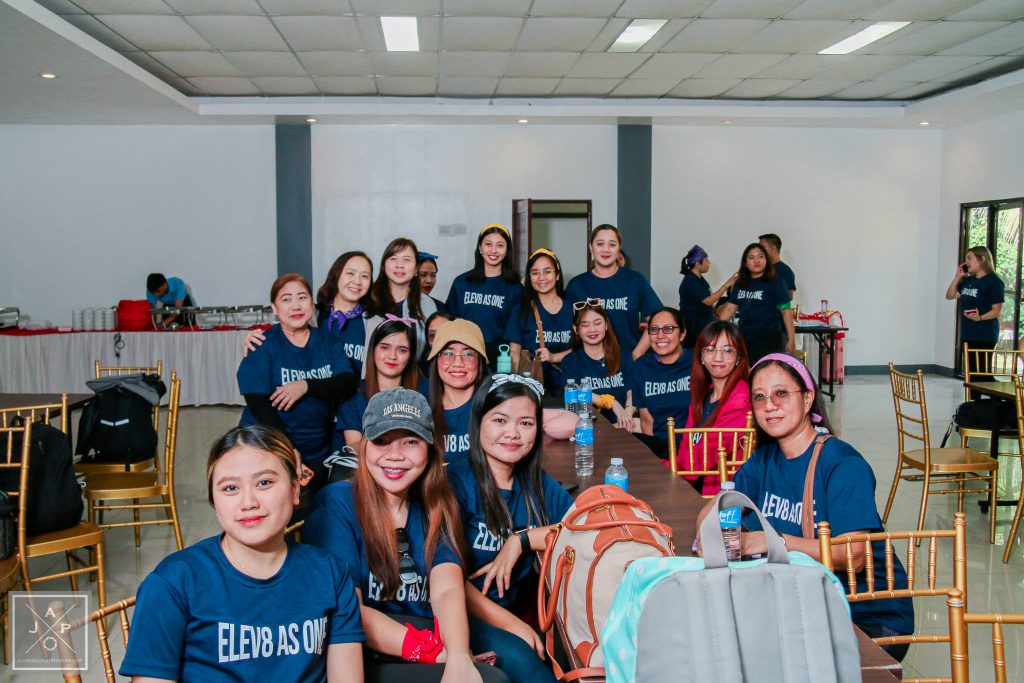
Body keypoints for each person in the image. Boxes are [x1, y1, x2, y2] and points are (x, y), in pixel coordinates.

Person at [696, 354, 914, 661]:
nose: (769, 405)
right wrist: (709, 534)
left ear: (808, 398)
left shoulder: (842, 464)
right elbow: (715, 507)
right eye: (759, 397)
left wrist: (770, 541)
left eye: (781, 393)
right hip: (806, 604)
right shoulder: (765, 459)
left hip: (865, 616)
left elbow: (852, 556)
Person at [120, 425, 365, 682]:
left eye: (264, 483)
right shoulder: (174, 582)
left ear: (294, 489)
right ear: (214, 501)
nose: (248, 503)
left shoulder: (331, 573)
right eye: (230, 488)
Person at [304, 388, 510, 683]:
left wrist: (459, 656)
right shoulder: (336, 503)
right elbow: (348, 611)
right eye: (381, 441)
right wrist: (437, 654)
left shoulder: (436, 503)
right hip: (360, 645)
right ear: (364, 447)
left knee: (499, 669)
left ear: (429, 450)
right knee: (493, 680)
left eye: (410, 441)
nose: (395, 455)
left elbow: (447, 588)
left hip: (423, 627)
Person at [447, 374, 567, 683]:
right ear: (478, 423)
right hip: (459, 615)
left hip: (517, 606)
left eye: (525, 423)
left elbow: (583, 527)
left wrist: (521, 540)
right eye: (500, 420)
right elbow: (447, 582)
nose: (512, 433)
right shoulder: (455, 483)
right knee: (529, 665)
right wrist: (513, 625)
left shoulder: (536, 483)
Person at [237, 274, 358, 500]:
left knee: (316, 509)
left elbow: (346, 382)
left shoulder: (327, 341)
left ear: (312, 303)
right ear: (274, 308)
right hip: (269, 445)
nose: (295, 305)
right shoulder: (262, 344)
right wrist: (287, 449)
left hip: (316, 448)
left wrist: (305, 386)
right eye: (286, 299)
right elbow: (259, 404)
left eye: (302, 297)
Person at [245, 252, 373, 374]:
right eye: (350, 273)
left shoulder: (372, 322)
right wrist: (256, 338)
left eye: (364, 276)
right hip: (308, 388)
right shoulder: (309, 314)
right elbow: (279, 336)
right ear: (336, 274)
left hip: (355, 389)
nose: (357, 281)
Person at [565, 224, 662, 361]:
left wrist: (636, 355)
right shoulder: (576, 285)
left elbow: (657, 321)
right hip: (588, 365)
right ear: (591, 247)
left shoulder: (635, 280)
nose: (606, 249)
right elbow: (568, 328)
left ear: (619, 247)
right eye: (600, 244)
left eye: (612, 244)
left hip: (628, 363)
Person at [681, 321, 752, 495]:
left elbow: (697, 462)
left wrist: (668, 466)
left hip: (720, 496)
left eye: (727, 350)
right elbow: (685, 448)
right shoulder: (704, 394)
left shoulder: (741, 401)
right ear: (701, 357)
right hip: (693, 485)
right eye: (710, 349)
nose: (718, 357)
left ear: (738, 358)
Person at [336, 317, 422, 451]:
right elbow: (353, 445)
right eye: (385, 347)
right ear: (373, 350)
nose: (392, 356)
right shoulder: (354, 394)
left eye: (402, 350)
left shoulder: (423, 392)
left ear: (410, 356)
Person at [446, 224, 523, 369]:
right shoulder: (462, 282)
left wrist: (512, 373)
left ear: (507, 250)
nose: (493, 250)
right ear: (480, 247)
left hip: (499, 358)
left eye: (500, 245)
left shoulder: (515, 289)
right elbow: (449, 323)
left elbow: (515, 340)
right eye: (488, 244)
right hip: (464, 354)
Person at [626, 307, 694, 457]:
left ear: (682, 334)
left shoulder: (696, 362)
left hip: (694, 447)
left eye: (668, 329)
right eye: (654, 330)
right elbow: (647, 420)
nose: (660, 335)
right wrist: (655, 458)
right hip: (662, 447)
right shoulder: (641, 367)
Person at [504, 249, 574, 393]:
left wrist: (554, 357)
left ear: (557, 275)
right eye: (535, 273)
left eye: (547, 271)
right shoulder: (521, 310)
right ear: (529, 278)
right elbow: (514, 352)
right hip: (532, 386)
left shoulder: (573, 309)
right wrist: (517, 386)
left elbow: (583, 348)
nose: (541, 278)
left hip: (569, 385)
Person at [559, 301, 634, 431]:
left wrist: (627, 415)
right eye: (585, 325)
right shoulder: (570, 361)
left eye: (597, 323)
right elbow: (572, 389)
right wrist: (611, 402)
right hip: (590, 429)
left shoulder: (624, 355)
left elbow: (632, 391)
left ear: (606, 325)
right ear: (576, 329)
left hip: (624, 426)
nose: (592, 329)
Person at [717, 243, 795, 363]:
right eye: (751, 257)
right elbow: (730, 308)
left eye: (760, 256)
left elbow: (786, 312)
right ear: (746, 263)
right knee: (746, 370)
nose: (756, 260)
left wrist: (791, 339)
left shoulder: (777, 282)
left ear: (766, 260)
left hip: (769, 338)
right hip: (745, 337)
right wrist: (715, 331)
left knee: (766, 371)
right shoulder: (740, 283)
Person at [427, 319, 490, 464]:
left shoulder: (493, 408)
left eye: (468, 354)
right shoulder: (420, 409)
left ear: (479, 362)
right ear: (436, 361)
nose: (458, 363)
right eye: (448, 353)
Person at [367, 238, 437, 361]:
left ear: (416, 268)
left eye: (406, 260)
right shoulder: (367, 299)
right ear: (384, 265)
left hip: (413, 371)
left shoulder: (427, 304)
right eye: (393, 258)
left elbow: (431, 349)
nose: (399, 265)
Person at [946, 245, 1004, 374]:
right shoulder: (968, 281)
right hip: (967, 333)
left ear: (982, 259)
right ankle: (972, 388)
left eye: (969, 258)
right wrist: (958, 277)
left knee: (981, 373)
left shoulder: (994, 282)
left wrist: (980, 318)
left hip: (984, 334)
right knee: (970, 372)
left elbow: (997, 311)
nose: (966, 262)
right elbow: (950, 295)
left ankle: (991, 388)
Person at [677, 245, 736, 349]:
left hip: (702, 324)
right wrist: (727, 284)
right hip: (694, 327)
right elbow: (708, 301)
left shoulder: (699, 279)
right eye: (706, 260)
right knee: (694, 352)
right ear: (698, 263)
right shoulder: (691, 280)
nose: (709, 263)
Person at [758, 233, 796, 299]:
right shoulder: (758, 268)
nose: (759, 251)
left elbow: (789, 296)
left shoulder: (785, 271)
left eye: (762, 247)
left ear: (773, 248)